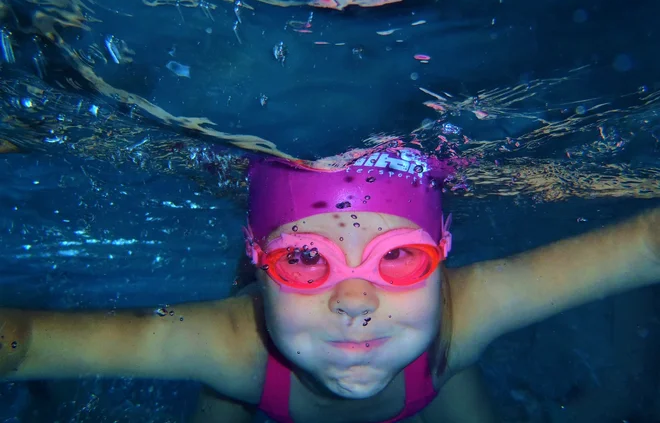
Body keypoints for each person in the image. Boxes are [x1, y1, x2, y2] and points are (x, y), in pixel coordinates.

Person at [1, 148, 658, 423]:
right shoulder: (230, 346)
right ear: (261, 263)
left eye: (399, 257)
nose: (355, 301)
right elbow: (22, 342)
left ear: (442, 253)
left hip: (436, 362)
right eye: (305, 260)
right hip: (258, 380)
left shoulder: (466, 313)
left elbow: (645, 244)